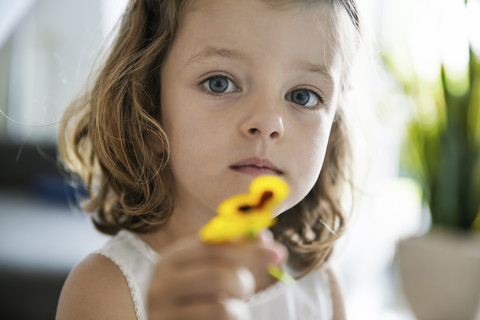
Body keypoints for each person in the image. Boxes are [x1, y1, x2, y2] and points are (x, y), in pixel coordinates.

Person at [56, 0, 362, 319]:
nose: (270, 122)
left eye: (303, 96)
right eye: (220, 84)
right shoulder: (106, 289)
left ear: (334, 128)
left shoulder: (321, 287)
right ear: (149, 108)